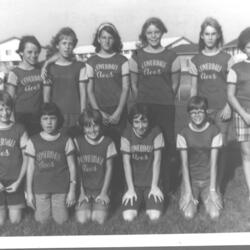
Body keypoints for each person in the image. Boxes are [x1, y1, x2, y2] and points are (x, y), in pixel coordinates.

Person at [129, 17, 181, 194]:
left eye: (156, 32)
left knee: (166, 143)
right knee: (146, 143)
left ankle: (166, 185)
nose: (153, 35)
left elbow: (175, 85)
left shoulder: (171, 56)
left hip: (165, 106)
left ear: (162, 32)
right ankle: (145, 183)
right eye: (149, 32)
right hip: (145, 106)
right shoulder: (137, 56)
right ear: (145, 34)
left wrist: (164, 98)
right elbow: (134, 85)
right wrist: (142, 101)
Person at [86, 22, 130, 205]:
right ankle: (103, 188)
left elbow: (126, 88)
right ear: (98, 39)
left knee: (119, 149)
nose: (106, 40)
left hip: (118, 110)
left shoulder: (122, 60)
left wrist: (119, 111)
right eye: (103, 37)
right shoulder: (91, 61)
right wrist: (98, 112)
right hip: (99, 111)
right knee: (102, 149)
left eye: (110, 37)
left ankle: (120, 187)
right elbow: (90, 91)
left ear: (115, 39)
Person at [189, 17, 234, 191]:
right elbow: (193, 89)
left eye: (213, 34)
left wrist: (229, 106)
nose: (210, 37)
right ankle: (205, 180)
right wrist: (193, 111)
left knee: (220, 148)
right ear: (201, 36)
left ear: (218, 36)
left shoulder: (227, 58)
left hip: (223, 110)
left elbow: (232, 87)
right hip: (203, 111)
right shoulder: (195, 60)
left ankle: (216, 185)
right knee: (204, 148)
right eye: (206, 34)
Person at [26, 102, 76, 224]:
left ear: (58, 120)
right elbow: (30, 167)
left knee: (61, 220)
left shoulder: (66, 140)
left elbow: (72, 166)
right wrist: (29, 192)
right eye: (45, 118)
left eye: (52, 118)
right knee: (42, 220)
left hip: (60, 188)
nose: (49, 122)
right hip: (41, 188)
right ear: (40, 121)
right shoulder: (33, 140)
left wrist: (72, 190)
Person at [177, 96, 223, 220]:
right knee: (188, 215)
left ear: (206, 112)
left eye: (200, 112)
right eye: (193, 112)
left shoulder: (215, 131)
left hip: (208, 180)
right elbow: (184, 165)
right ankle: (194, 197)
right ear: (189, 114)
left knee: (214, 215)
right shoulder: (183, 133)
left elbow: (214, 164)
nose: (197, 115)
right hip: (192, 180)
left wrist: (213, 190)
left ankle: (205, 196)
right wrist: (188, 191)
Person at [121, 103, 164, 221]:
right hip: (134, 184)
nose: (140, 126)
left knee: (155, 216)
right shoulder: (126, 133)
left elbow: (157, 161)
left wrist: (154, 186)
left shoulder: (156, 132)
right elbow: (126, 163)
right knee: (128, 217)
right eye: (136, 122)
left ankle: (148, 202)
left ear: (149, 121)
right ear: (131, 122)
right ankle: (139, 199)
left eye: (144, 121)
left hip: (151, 183)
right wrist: (130, 189)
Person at [74, 108, 117, 224]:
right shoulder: (77, 142)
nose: (92, 130)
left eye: (95, 126)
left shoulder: (108, 142)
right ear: (83, 128)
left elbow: (109, 169)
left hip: (101, 189)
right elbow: (77, 170)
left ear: (101, 126)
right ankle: (86, 204)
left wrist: (104, 193)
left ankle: (102, 202)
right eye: (88, 126)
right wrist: (81, 192)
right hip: (85, 189)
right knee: (82, 219)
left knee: (98, 219)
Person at [42, 27, 87, 135]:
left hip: (75, 115)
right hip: (56, 116)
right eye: (64, 43)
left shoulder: (80, 66)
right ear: (57, 45)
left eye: (70, 44)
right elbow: (46, 97)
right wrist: (48, 117)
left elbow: (83, 94)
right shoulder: (49, 68)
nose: (67, 47)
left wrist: (82, 115)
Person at [227, 27, 250, 200]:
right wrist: (244, 115)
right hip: (243, 113)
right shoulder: (236, 68)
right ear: (243, 48)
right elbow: (230, 95)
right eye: (249, 46)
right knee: (246, 152)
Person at [0, 91, 28, 224]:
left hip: (14, 182)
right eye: (0, 109)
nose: (4, 113)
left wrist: (18, 182)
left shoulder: (20, 129)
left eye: (7, 108)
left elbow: (26, 159)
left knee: (15, 221)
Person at [6, 35, 43, 136]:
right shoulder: (14, 73)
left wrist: (47, 62)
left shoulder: (40, 70)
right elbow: (9, 100)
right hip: (21, 117)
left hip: (38, 116)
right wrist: (12, 121)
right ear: (21, 52)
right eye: (29, 52)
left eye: (36, 52)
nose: (34, 55)